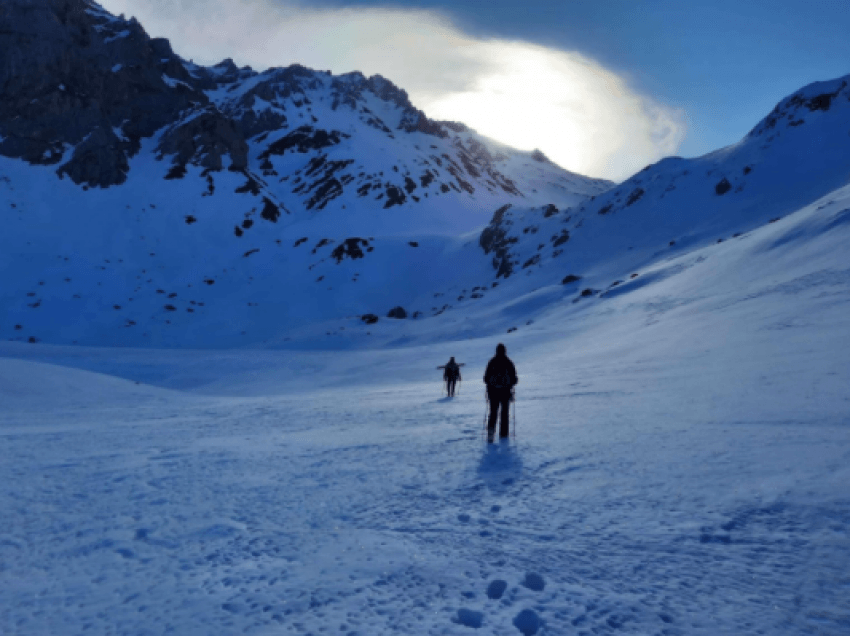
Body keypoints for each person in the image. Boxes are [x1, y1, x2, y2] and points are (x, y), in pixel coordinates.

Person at [483, 343, 518, 441]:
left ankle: (490, 434)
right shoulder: (508, 362)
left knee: (493, 413)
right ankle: (504, 435)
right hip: (505, 392)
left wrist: (491, 385)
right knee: (504, 414)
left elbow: (485, 378)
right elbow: (514, 379)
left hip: (493, 392)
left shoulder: (492, 361)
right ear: (505, 350)